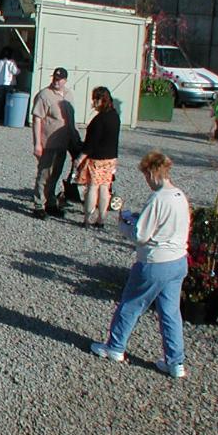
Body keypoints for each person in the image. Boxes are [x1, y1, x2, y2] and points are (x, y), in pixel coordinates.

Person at [91, 151, 190, 378]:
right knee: (170, 313)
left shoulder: (158, 199)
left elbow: (140, 235)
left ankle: (115, 347)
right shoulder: (179, 195)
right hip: (178, 261)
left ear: (153, 173)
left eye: (146, 175)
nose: (146, 180)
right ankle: (175, 362)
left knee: (131, 304)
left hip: (155, 263)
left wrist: (124, 224)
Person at [30, 66, 77, 219]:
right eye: (55, 78)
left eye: (60, 79)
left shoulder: (69, 95)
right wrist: (37, 143)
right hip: (48, 142)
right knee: (44, 174)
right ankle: (39, 205)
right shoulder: (44, 95)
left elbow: (71, 119)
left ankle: (51, 203)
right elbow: (37, 119)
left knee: (55, 174)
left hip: (64, 142)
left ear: (65, 80)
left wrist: (74, 138)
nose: (56, 81)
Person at [73, 86, 121, 228]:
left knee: (92, 188)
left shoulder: (99, 120)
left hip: (97, 159)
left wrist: (79, 159)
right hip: (111, 158)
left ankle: (87, 218)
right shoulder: (115, 116)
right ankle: (101, 219)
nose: (93, 103)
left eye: (95, 99)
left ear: (101, 100)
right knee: (105, 187)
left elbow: (90, 144)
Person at [0, 46, 20, 122]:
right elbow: (15, 72)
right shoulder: (11, 63)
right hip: (9, 85)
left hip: (0, 85)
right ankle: (6, 118)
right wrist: (19, 70)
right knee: (8, 102)